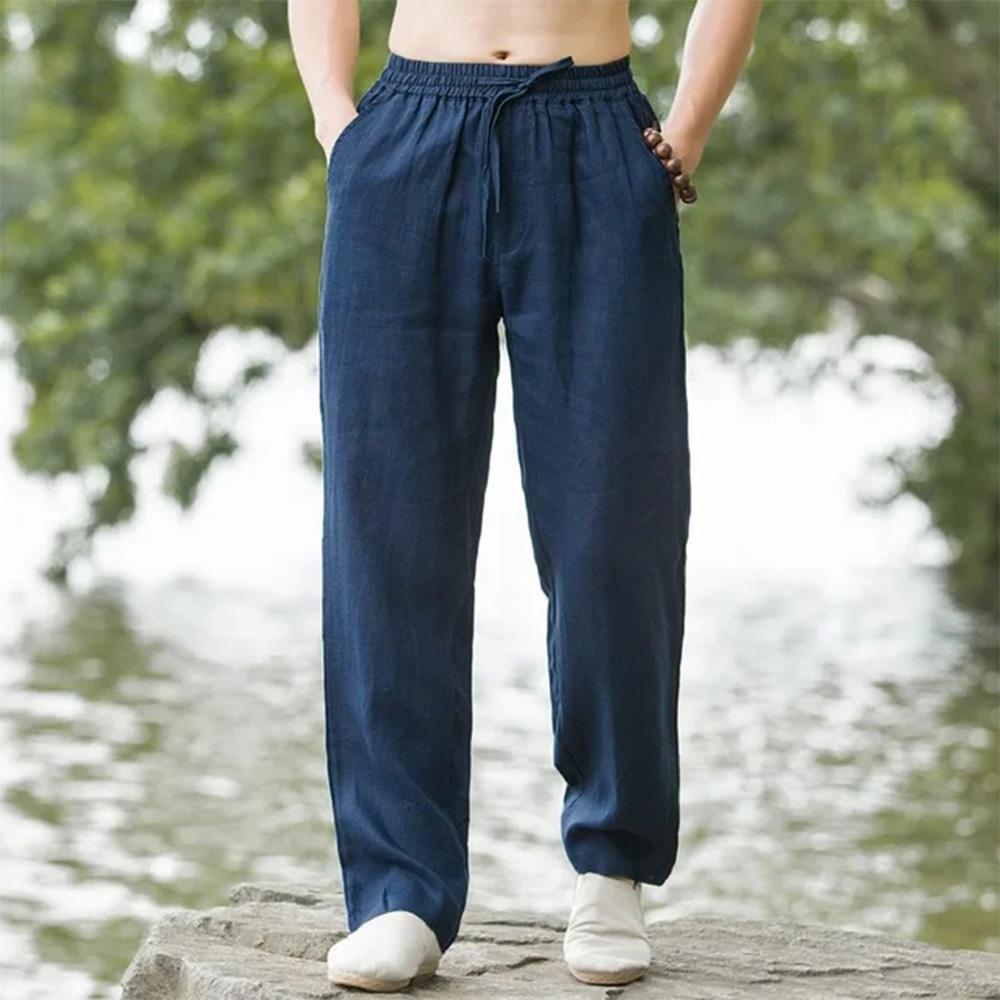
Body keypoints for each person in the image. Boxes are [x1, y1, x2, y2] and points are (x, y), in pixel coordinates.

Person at [289, 0, 762, 990]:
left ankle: (612, 866)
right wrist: (338, 121)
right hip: (406, 137)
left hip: (593, 134)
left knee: (614, 524)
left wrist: (687, 128)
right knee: (388, 527)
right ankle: (399, 889)